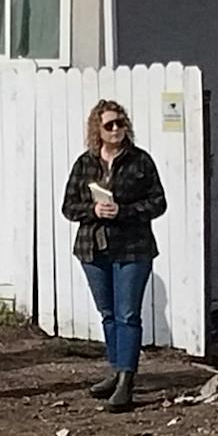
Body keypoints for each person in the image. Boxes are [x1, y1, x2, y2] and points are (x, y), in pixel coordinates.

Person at [60, 98, 166, 414]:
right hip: (93, 248)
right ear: (98, 129)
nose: (117, 129)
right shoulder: (85, 163)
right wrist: (93, 210)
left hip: (133, 247)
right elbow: (68, 206)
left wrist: (125, 211)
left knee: (128, 314)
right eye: (110, 125)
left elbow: (158, 202)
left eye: (121, 123)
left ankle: (126, 381)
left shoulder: (140, 161)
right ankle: (116, 370)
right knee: (107, 313)